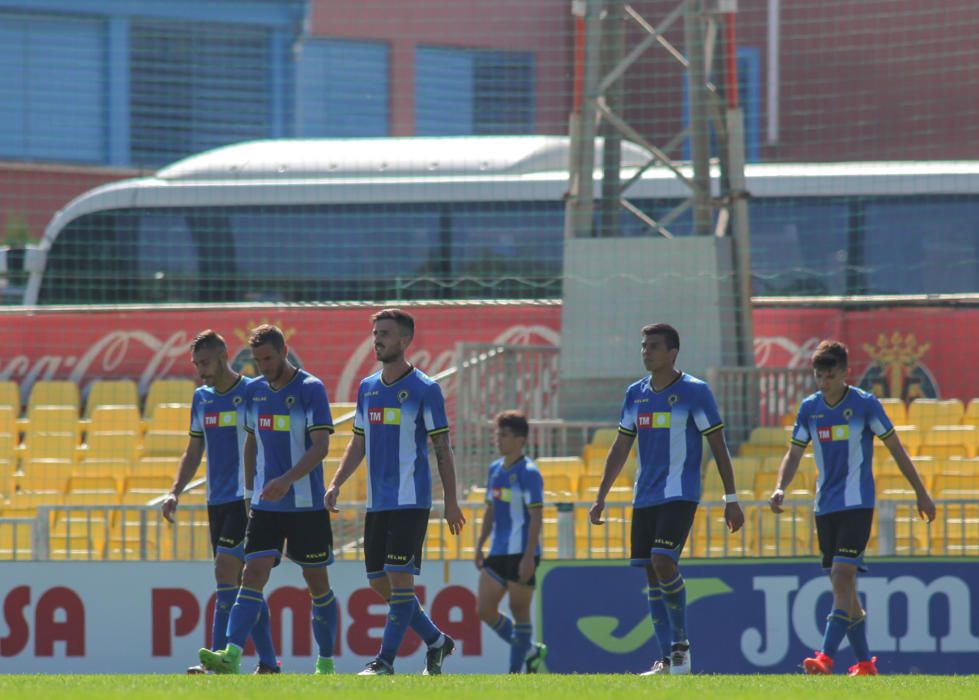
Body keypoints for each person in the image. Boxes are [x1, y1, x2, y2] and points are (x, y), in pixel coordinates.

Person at [769, 339, 935, 677]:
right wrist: (779, 488)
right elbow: (795, 453)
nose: (824, 382)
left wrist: (921, 492)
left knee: (842, 576)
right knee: (844, 589)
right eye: (819, 376)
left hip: (857, 504)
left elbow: (896, 449)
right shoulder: (809, 409)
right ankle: (864, 664)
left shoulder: (865, 405)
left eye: (830, 375)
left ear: (846, 373)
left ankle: (826, 658)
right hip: (824, 508)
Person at [590, 323, 745, 676]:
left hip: (681, 493)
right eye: (644, 346)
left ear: (672, 352)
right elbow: (621, 446)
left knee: (662, 560)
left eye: (654, 346)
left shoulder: (695, 392)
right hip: (645, 496)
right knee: (650, 573)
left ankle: (681, 644)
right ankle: (666, 659)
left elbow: (718, 446)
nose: (646, 351)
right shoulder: (635, 394)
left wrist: (731, 497)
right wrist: (601, 495)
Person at [326, 308, 466, 676]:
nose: (378, 339)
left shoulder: (425, 389)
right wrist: (336, 482)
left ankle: (384, 662)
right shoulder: (367, 388)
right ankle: (437, 641)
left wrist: (451, 501)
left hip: (411, 500)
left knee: (399, 579)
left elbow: (442, 448)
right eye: (375, 333)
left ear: (405, 341)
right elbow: (358, 442)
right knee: (378, 581)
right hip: (378, 502)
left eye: (385, 333)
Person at [198, 324, 338, 675]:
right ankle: (231, 654)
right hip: (265, 505)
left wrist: (287, 480)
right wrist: (249, 492)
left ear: (284, 351)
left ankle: (324, 660)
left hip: (305, 505)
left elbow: (321, 446)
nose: (263, 366)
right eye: (258, 360)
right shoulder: (256, 392)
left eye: (269, 358)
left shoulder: (311, 389)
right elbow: (250, 442)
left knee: (317, 584)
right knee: (252, 573)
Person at [161, 329, 280, 675]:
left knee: (225, 570)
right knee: (244, 583)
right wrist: (175, 490)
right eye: (197, 364)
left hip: (247, 500)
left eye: (206, 362)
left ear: (224, 356)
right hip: (217, 500)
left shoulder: (252, 392)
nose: (201, 370)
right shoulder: (202, 398)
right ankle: (270, 664)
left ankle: (217, 659)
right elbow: (194, 449)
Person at [475, 410, 548, 674]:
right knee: (485, 610)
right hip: (497, 551)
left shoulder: (529, 473)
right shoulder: (494, 470)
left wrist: (529, 557)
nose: (498, 439)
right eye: (498, 434)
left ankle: (515, 673)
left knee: (519, 612)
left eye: (504, 435)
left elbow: (536, 517)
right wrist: (480, 543)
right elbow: (490, 510)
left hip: (522, 554)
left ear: (520, 439)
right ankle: (530, 650)